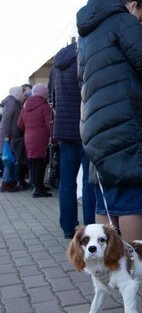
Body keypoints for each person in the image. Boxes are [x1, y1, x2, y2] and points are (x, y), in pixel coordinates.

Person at [76, 0, 142, 242]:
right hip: (124, 120)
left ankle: (111, 270)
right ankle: (134, 271)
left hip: (94, 123)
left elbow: (81, 78)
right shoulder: (123, 19)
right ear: (132, 5)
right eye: (141, 17)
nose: (140, 23)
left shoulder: (86, 35)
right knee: (130, 198)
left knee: (106, 199)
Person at [49, 42, 96, 239]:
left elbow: (52, 97)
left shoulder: (56, 64)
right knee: (88, 181)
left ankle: (68, 227)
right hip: (85, 128)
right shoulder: (85, 57)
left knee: (67, 182)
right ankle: (91, 227)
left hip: (63, 129)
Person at [17, 83, 53, 197]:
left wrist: (28, 128)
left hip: (28, 137)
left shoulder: (25, 106)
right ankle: (38, 189)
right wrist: (53, 136)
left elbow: (19, 124)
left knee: (32, 162)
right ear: (44, 94)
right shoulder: (44, 106)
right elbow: (49, 125)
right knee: (40, 162)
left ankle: (36, 185)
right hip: (41, 138)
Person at [0, 86, 25, 192]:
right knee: (9, 160)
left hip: (11, 137)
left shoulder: (14, 102)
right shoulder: (12, 103)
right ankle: (6, 183)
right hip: (9, 138)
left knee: (10, 160)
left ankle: (9, 182)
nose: (22, 94)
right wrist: (6, 136)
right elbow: (6, 120)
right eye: (21, 92)